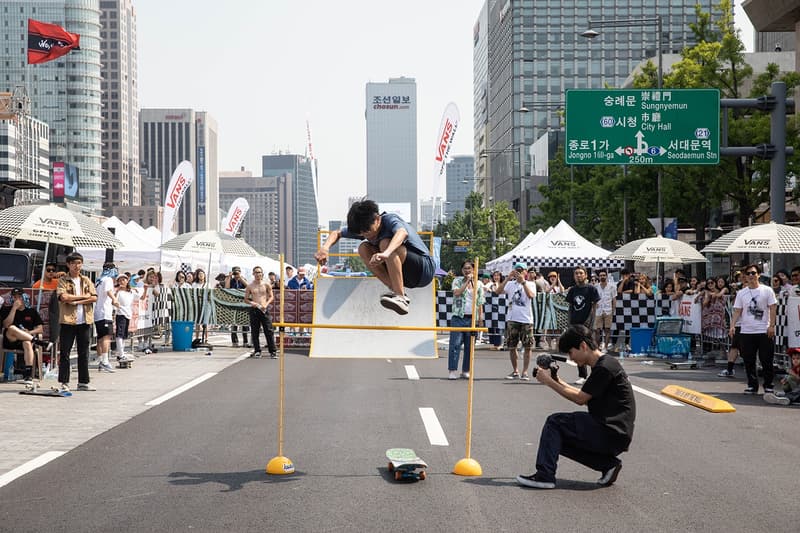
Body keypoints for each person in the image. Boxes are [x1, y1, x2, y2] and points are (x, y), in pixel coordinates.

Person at [516, 325, 636, 489]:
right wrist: (557, 379)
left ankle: (544, 475)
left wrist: (548, 381)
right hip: (614, 433)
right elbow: (586, 395)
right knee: (555, 439)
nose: (571, 358)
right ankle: (608, 465)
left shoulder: (604, 367)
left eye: (571, 352)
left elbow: (580, 399)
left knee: (554, 422)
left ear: (583, 346)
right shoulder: (604, 364)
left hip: (610, 431)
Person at [315, 199, 435, 315]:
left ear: (377, 219)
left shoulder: (389, 219)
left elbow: (402, 233)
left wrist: (386, 253)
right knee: (363, 248)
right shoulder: (363, 229)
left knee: (384, 243)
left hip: (424, 269)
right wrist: (325, 248)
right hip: (405, 277)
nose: (367, 236)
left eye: (368, 231)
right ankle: (397, 290)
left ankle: (400, 297)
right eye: (361, 234)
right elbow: (337, 233)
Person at [729, 264, 777, 395]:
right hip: (746, 331)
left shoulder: (767, 290)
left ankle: (768, 385)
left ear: (758, 275)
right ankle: (752, 385)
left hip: (763, 330)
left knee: (766, 359)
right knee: (749, 360)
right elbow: (737, 310)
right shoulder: (741, 293)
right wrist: (732, 325)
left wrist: (772, 325)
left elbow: (773, 308)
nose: (751, 276)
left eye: (753, 273)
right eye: (748, 273)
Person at [56, 252, 98, 392]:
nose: (77, 266)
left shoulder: (86, 280)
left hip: (84, 320)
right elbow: (63, 297)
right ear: (68, 264)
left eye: (79, 263)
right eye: (73, 263)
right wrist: (82, 296)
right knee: (65, 353)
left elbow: (93, 297)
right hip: (68, 321)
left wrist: (77, 301)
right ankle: (64, 382)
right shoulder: (63, 280)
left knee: (84, 352)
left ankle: (83, 382)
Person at [1, 288, 52, 387]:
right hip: (11, 339)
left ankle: (28, 375)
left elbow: (40, 329)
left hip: (26, 339)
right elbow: (6, 325)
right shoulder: (7, 309)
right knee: (11, 328)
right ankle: (39, 342)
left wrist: (30, 332)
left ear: (24, 297)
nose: (17, 299)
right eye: (15, 297)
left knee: (27, 343)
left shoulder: (31, 311)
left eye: (19, 297)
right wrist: (14, 309)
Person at [495, 262, 536, 380]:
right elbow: (497, 292)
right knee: (512, 346)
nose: (519, 272)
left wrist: (523, 282)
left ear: (525, 272)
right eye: (517, 270)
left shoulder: (530, 284)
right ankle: (515, 371)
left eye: (521, 270)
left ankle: (525, 372)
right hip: (512, 318)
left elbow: (531, 295)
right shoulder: (510, 284)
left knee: (527, 346)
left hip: (526, 319)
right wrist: (508, 277)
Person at [447, 260, 485, 380]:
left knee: (469, 346)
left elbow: (480, 302)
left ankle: (465, 370)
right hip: (458, 317)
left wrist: (480, 319)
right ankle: (452, 370)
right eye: (465, 268)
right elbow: (457, 293)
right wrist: (467, 281)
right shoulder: (457, 281)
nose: (467, 270)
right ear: (462, 270)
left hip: (471, 318)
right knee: (455, 344)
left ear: (473, 270)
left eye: (469, 268)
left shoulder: (478, 284)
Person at [566, 266, 600, 385]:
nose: (578, 275)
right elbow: (570, 307)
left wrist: (591, 323)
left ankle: (596, 375)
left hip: (587, 325)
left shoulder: (591, 289)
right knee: (578, 350)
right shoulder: (572, 290)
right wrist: (569, 323)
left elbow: (594, 307)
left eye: (581, 273)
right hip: (575, 324)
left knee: (591, 349)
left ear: (585, 275)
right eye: (576, 273)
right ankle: (582, 375)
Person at [244, 266, 277, 358]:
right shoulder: (250, 286)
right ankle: (257, 350)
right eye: (256, 272)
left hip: (264, 309)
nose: (258, 274)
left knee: (269, 330)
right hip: (255, 309)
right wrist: (253, 303)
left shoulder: (266, 284)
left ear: (262, 274)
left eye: (259, 272)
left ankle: (272, 351)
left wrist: (266, 304)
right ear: (253, 274)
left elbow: (271, 296)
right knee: (255, 331)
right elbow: (246, 299)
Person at [93, 262, 119, 373]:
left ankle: (100, 359)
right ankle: (105, 361)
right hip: (104, 312)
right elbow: (108, 291)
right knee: (106, 337)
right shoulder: (107, 279)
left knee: (100, 337)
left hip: (98, 312)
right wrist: (114, 299)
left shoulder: (99, 280)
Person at [113, 273, 135, 363]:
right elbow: (114, 301)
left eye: (124, 279)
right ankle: (121, 354)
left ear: (127, 280)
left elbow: (140, 296)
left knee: (124, 334)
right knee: (119, 334)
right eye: (120, 280)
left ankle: (121, 353)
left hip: (128, 314)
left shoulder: (130, 292)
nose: (122, 281)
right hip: (120, 314)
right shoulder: (118, 291)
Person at [225, 266, 250, 348]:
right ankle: (234, 342)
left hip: (243, 303)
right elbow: (227, 288)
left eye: (237, 272)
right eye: (235, 273)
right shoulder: (231, 280)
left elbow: (248, 287)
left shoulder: (243, 279)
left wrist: (240, 278)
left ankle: (245, 341)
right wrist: (229, 277)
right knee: (234, 322)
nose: (236, 274)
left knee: (244, 323)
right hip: (234, 303)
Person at [593, 269, 616, 351]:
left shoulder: (612, 287)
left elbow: (614, 299)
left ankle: (605, 347)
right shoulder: (595, 286)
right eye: (601, 275)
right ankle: (598, 347)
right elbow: (593, 299)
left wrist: (613, 310)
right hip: (598, 310)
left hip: (608, 310)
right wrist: (594, 305)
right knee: (597, 330)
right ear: (598, 277)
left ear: (606, 276)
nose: (602, 277)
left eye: (604, 275)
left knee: (607, 329)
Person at [486, 271, 505, 351]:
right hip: (492, 307)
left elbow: (501, 292)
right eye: (494, 275)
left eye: (498, 275)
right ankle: (495, 344)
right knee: (493, 325)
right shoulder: (491, 284)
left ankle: (500, 343)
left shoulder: (504, 284)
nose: (496, 277)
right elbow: (485, 288)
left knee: (501, 325)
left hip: (502, 307)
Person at [192, 268, 209, 344]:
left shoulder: (207, 284)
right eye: (199, 274)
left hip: (205, 304)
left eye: (202, 274)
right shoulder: (194, 284)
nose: (201, 275)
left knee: (205, 322)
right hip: (197, 304)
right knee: (197, 322)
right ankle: (197, 337)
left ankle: (206, 338)